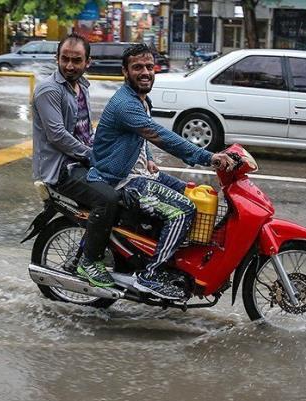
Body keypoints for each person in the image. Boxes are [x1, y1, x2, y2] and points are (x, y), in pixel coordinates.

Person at [89, 43, 235, 300]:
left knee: (194, 195)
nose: (145, 72)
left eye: (148, 66)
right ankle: (151, 275)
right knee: (182, 210)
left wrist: (147, 158)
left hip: (140, 173)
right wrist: (207, 157)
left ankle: (172, 260)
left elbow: (140, 136)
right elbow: (160, 136)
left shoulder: (142, 100)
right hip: (122, 181)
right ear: (125, 71)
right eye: (137, 67)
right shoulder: (125, 103)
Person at [32, 33, 121, 288]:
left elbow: (84, 130)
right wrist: (91, 156)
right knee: (107, 199)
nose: (69, 65)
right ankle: (89, 262)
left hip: (80, 161)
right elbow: (57, 135)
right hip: (61, 169)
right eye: (65, 59)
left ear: (87, 62)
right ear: (56, 58)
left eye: (76, 60)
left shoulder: (82, 85)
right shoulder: (49, 90)